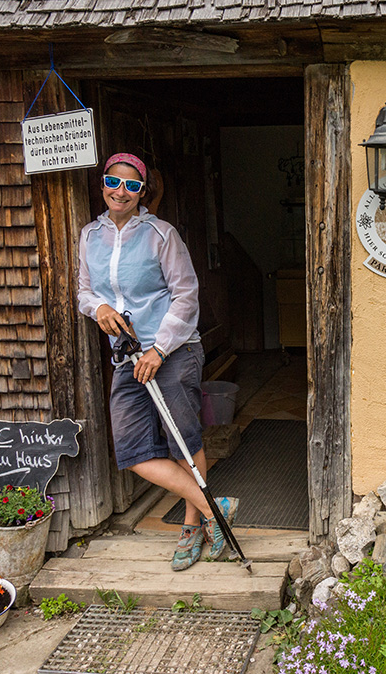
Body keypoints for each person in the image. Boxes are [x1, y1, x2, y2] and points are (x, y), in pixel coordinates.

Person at [77, 152, 237, 571]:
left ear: (142, 192)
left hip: (172, 351)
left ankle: (189, 527)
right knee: (130, 448)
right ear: (103, 184)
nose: (121, 192)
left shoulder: (160, 235)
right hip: (127, 357)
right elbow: (84, 291)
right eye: (115, 182)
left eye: (132, 186)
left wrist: (158, 349)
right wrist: (98, 310)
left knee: (183, 440)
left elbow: (186, 295)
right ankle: (212, 506)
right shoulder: (89, 236)